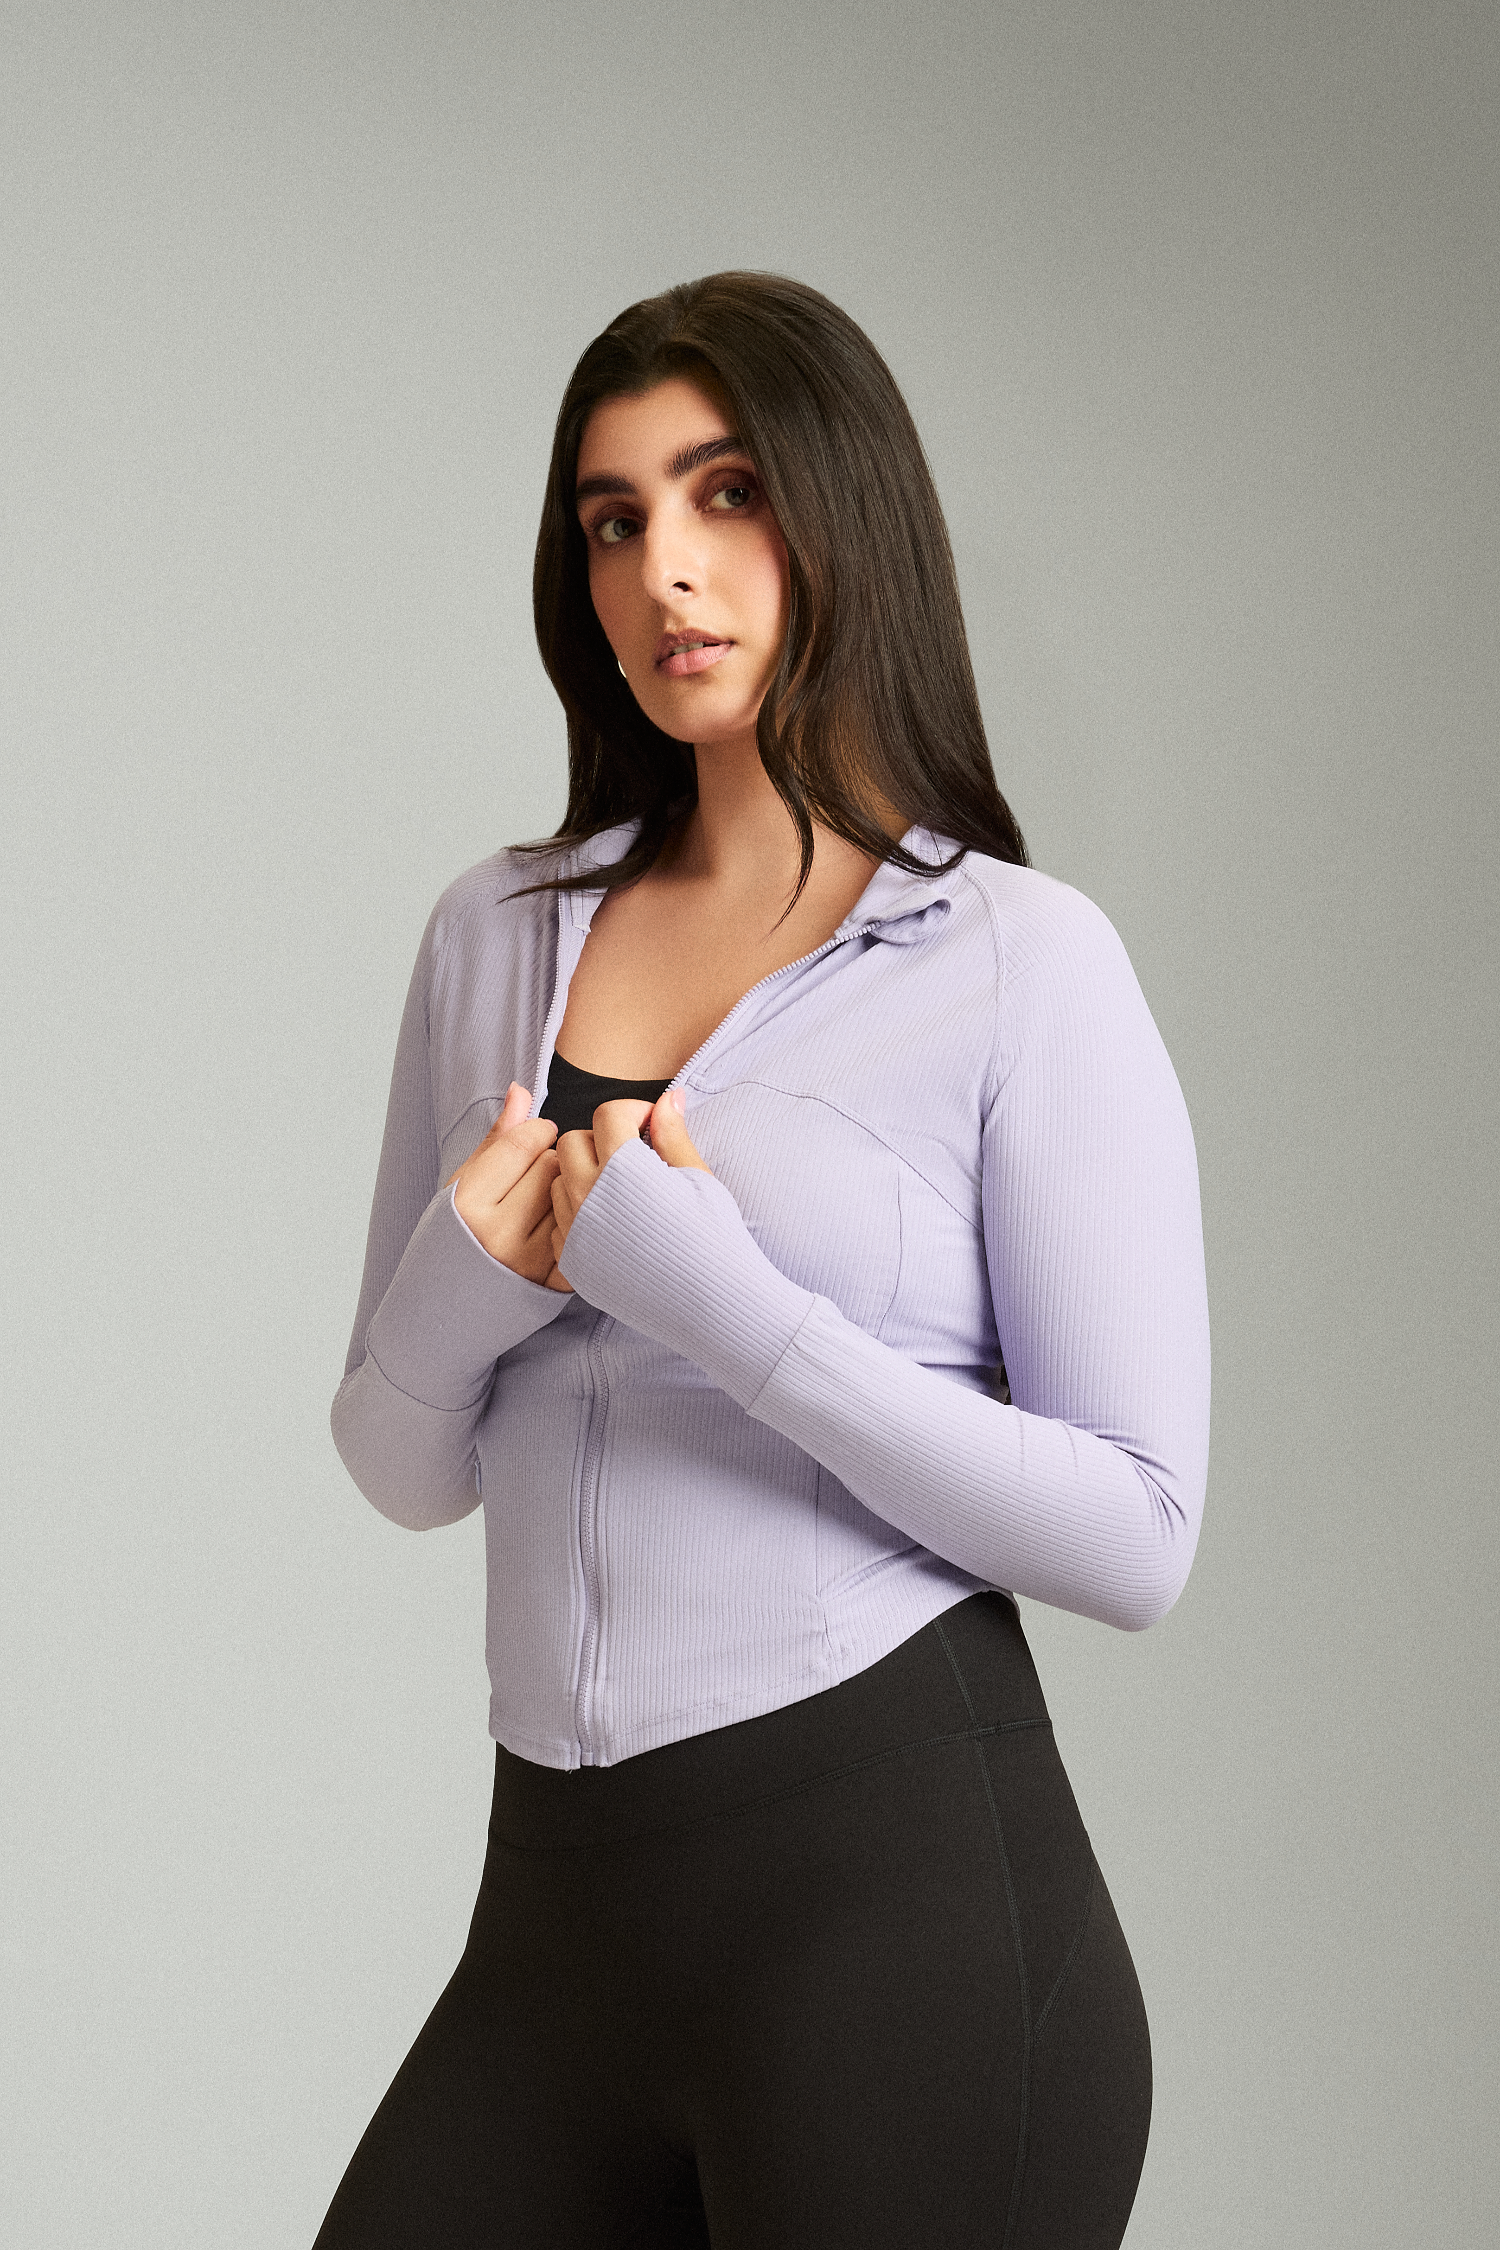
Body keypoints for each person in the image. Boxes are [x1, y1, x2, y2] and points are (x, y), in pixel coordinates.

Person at [314, 271, 1210, 2250]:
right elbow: (398, 1461)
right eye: (613, 517)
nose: (664, 569)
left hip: (896, 1921)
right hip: (555, 1920)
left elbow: (1140, 1532)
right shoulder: (493, 933)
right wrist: (476, 1278)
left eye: (725, 495)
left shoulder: (1014, 961)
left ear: (840, 513)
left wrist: (727, 1307)